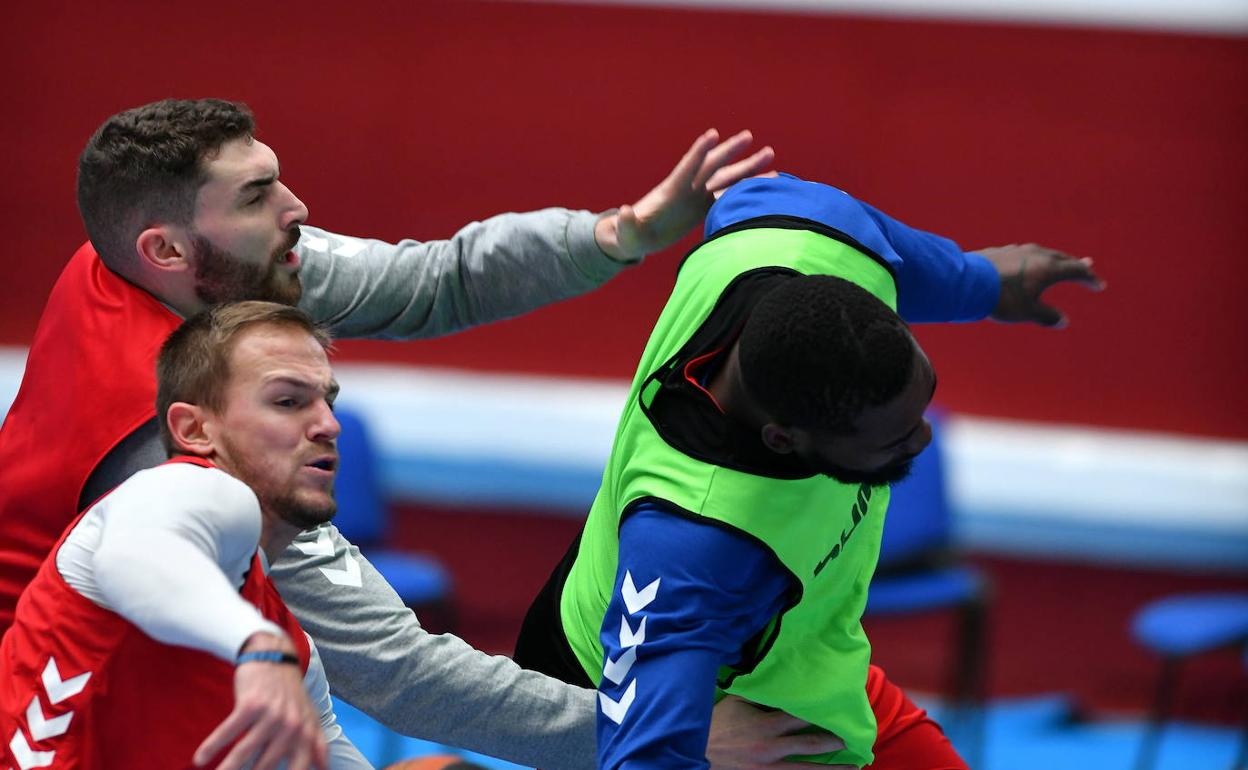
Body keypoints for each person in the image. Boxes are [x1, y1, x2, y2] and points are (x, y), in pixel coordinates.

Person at [0, 97, 838, 770]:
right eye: (257, 196)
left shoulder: (187, 269)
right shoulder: (175, 453)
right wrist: (664, 735)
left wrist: (618, 233)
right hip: (84, 693)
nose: (297, 209)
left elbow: (435, 278)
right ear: (167, 251)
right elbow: (400, 671)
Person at [513, 172, 1105, 768]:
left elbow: (888, 250)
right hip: (648, 703)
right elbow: (642, 752)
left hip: (797, 661)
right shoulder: (696, 545)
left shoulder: (799, 230)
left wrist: (982, 284)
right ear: (783, 439)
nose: (922, 440)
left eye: (922, 403)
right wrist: (694, 741)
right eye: (894, 440)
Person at [0, 302, 372, 769]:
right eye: (287, 402)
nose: (328, 425)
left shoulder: (293, 651)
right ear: (194, 430)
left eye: (327, 402)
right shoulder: (191, 488)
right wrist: (258, 645)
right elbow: (133, 556)